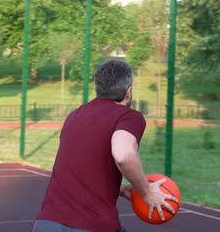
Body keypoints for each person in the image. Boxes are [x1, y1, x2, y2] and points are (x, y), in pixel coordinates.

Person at [33, 60, 177, 232]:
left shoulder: (75, 115)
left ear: (98, 89)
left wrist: (119, 188)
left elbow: (79, 168)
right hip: (93, 225)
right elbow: (123, 155)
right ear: (128, 92)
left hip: (47, 223)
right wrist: (146, 191)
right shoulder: (128, 116)